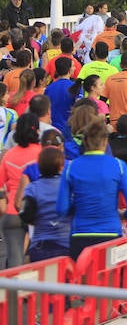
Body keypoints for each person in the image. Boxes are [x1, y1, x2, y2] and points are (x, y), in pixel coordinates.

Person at [57, 117, 127, 259]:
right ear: (105, 141)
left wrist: (77, 207)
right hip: (111, 233)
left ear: (85, 141)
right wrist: (125, 215)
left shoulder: (70, 167)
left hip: (80, 234)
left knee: (82, 280)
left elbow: (61, 209)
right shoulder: (119, 166)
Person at [0, 114, 41, 266]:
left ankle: (12, 289)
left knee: (14, 261)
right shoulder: (43, 153)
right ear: (37, 130)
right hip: (38, 212)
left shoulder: (9, 155)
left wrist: (3, 202)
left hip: (12, 212)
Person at [18, 146, 70, 262]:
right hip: (65, 244)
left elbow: (26, 215)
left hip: (40, 245)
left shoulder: (32, 188)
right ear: (61, 166)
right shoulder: (68, 186)